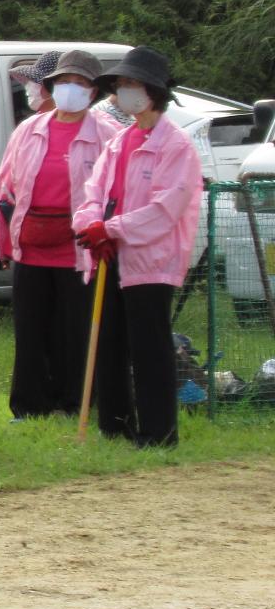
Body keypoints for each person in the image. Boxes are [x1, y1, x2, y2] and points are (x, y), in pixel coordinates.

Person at [73, 46, 202, 448]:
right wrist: (92, 225)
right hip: (110, 256)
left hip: (150, 261)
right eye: (122, 84)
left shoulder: (176, 145)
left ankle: (158, 431)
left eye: (133, 84)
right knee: (108, 341)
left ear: (153, 91)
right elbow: (93, 191)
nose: (126, 91)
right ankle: (115, 425)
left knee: (149, 348)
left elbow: (164, 209)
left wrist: (111, 229)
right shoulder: (119, 142)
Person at [0, 49, 118, 419]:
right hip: (31, 242)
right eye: (64, 82)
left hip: (79, 247)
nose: (70, 90)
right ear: (52, 86)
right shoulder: (29, 131)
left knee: (73, 330)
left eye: (80, 84)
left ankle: (72, 402)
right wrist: (2, 241)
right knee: (30, 329)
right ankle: (28, 405)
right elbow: (6, 188)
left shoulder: (107, 134)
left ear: (93, 93)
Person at [9, 50, 61, 119]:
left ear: (52, 88)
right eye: (28, 81)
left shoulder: (63, 122)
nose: (28, 89)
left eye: (33, 81)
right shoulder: (32, 122)